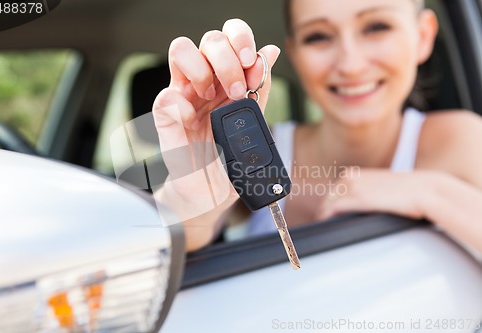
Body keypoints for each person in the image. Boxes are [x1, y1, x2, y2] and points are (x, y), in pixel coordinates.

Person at [152, 0, 482, 254]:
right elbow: (176, 240)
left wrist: (429, 191)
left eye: (377, 27)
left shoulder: (464, 141)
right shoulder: (257, 151)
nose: (351, 65)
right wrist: (187, 198)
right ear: (294, 54)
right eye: (318, 36)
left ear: (423, 37)